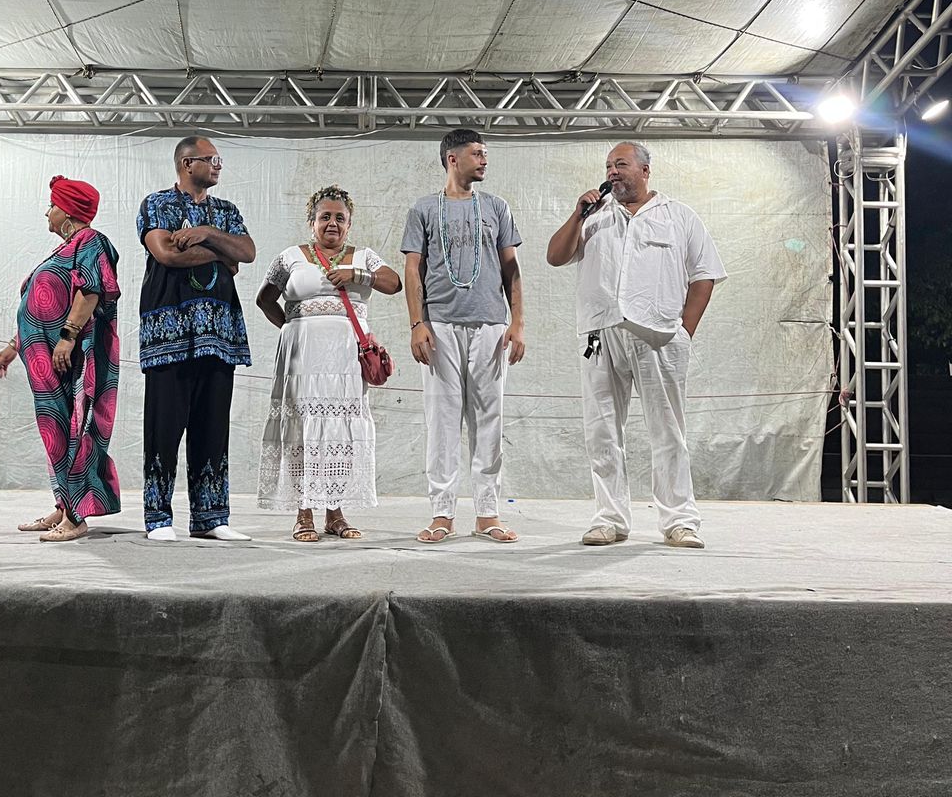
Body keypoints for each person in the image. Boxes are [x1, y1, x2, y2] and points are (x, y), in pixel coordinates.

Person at [546, 140, 726, 549]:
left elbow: (704, 275)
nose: (612, 172)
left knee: (668, 431)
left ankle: (680, 521)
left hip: (658, 336)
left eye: (621, 164)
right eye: (608, 166)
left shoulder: (678, 216)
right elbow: (555, 257)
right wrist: (578, 214)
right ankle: (609, 518)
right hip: (601, 332)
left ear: (645, 170)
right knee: (602, 430)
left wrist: (684, 331)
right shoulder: (594, 217)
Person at [255, 186, 402, 541]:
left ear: (349, 224)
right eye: (325, 217)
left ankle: (334, 513)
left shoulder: (363, 257)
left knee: (340, 432)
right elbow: (264, 299)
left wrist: (357, 275)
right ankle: (303, 513)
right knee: (302, 429)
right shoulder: (291, 257)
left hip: (344, 361)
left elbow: (394, 283)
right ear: (312, 222)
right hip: (302, 358)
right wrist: (293, 327)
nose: (332, 223)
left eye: (340, 218)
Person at [402, 127, 525, 544]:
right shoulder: (423, 209)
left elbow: (511, 269)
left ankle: (488, 513)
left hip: (490, 324)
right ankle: (442, 513)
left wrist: (518, 322)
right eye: (477, 153)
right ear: (452, 159)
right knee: (442, 420)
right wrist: (417, 324)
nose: (484, 160)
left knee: (489, 418)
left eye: (485, 153)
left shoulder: (496, 207)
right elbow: (412, 269)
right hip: (439, 326)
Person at [136, 135, 257, 541]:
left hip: (219, 334)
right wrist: (223, 253)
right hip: (168, 332)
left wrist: (205, 233)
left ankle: (211, 518)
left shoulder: (226, 211)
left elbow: (248, 252)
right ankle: (158, 518)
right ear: (188, 164)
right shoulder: (156, 204)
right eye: (212, 159)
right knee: (164, 428)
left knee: (213, 427)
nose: (218, 165)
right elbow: (167, 254)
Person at [0, 175, 122, 543]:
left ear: (67, 210)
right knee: (57, 430)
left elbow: (90, 290)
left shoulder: (91, 242)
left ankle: (77, 516)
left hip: (74, 358)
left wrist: (67, 337)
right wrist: (14, 347)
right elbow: (39, 307)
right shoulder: (65, 249)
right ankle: (64, 505)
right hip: (48, 362)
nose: (47, 212)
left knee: (77, 428)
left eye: (51, 205)